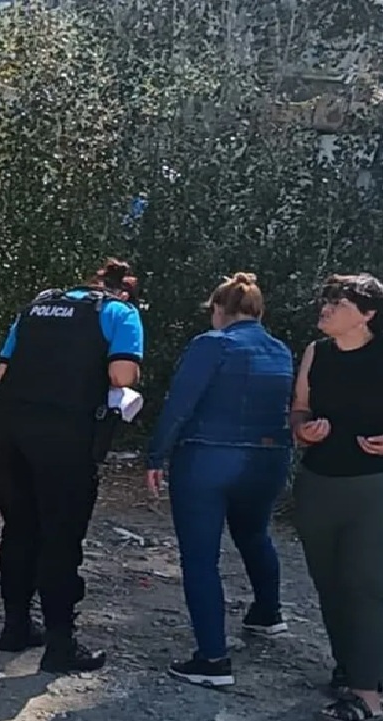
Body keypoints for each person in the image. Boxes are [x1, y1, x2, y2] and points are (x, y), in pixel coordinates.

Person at [0, 258, 144, 674]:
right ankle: (60, 645)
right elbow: (122, 375)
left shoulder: (37, 306)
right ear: (125, 292)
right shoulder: (119, 313)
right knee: (60, 537)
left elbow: (3, 372)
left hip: (9, 431)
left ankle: (16, 627)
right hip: (65, 437)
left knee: (19, 528)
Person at [144, 273, 294, 688]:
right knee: (255, 533)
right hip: (269, 458)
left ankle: (212, 658)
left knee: (200, 557)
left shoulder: (211, 344)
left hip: (209, 457)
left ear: (218, 309)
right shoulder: (281, 350)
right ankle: (268, 612)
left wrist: (156, 455)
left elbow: (180, 403)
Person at [291, 273, 383, 721]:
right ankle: (354, 668)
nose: (326, 308)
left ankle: (367, 697)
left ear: (367, 314)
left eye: (339, 303)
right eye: (325, 300)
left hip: (373, 488)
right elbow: (300, 408)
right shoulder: (317, 352)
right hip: (318, 484)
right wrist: (302, 430)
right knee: (329, 585)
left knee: (365, 585)